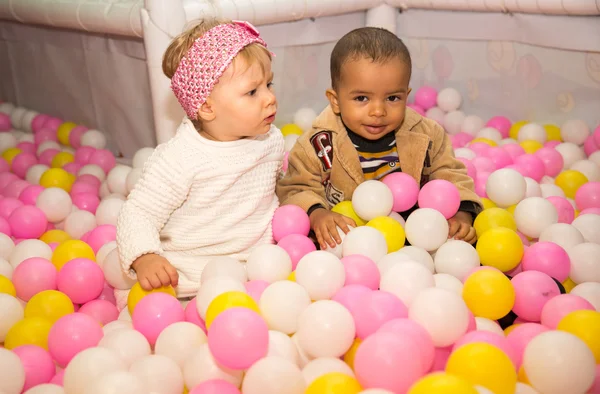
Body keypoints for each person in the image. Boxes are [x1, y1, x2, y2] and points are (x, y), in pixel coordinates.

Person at [115, 19, 283, 303]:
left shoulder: (271, 141)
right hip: (191, 282)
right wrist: (145, 257)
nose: (270, 98)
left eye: (269, 84)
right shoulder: (180, 158)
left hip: (261, 271)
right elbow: (139, 212)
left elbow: (282, 190)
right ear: (207, 107)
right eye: (252, 91)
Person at [276, 27, 482, 250]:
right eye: (362, 98)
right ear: (335, 100)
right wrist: (317, 215)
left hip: (416, 239)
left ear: (407, 94)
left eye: (393, 98)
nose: (378, 111)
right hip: (348, 242)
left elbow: (450, 174)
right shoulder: (317, 144)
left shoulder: (427, 135)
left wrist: (461, 215)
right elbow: (295, 187)